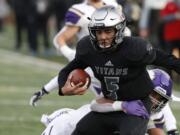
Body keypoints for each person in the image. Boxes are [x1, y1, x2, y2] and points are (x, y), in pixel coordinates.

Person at [29, 6, 180, 135]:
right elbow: (68, 70)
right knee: (80, 131)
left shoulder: (135, 48)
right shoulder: (88, 48)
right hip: (108, 104)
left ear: (119, 30)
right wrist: (64, 87)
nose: (103, 37)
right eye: (98, 32)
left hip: (136, 106)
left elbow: (166, 59)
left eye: (108, 31)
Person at [40, 69, 175, 135]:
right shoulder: (124, 92)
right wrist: (122, 105)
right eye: (155, 96)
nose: (156, 102)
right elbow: (96, 104)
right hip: (65, 128)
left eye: (160, 99)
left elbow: (155, 129)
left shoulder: (146, 108)